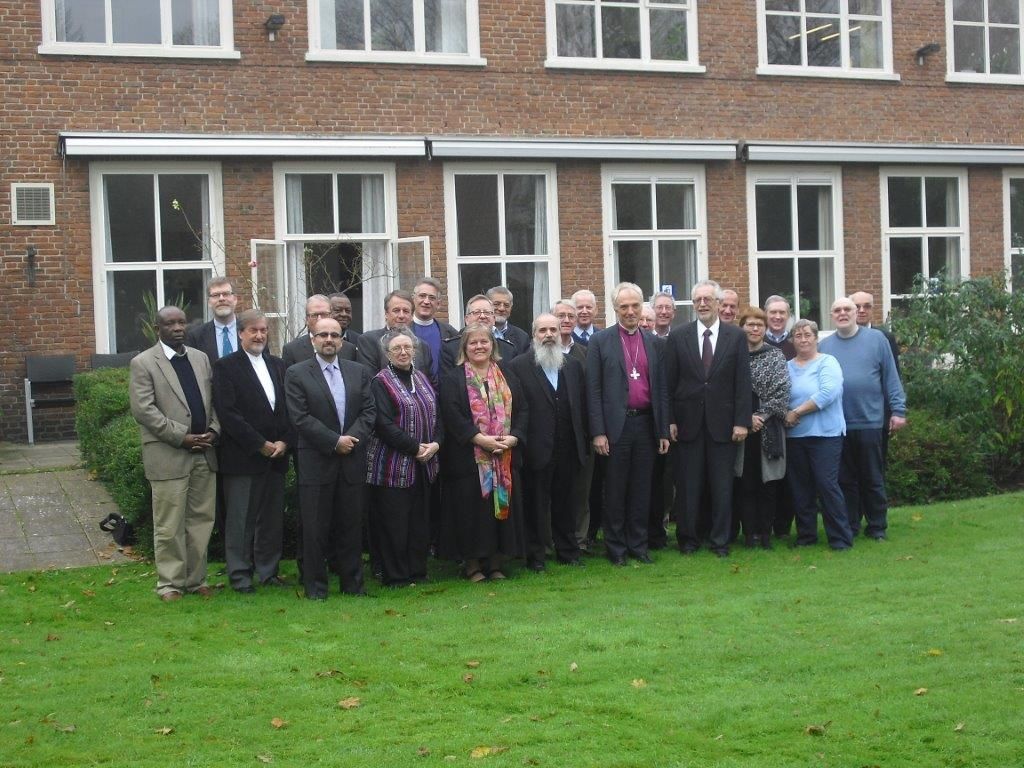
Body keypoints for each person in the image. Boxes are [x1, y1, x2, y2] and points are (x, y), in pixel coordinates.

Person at [129, 306, 219, 602]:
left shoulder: (200, 358)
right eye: (170, 324)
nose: (178, 328)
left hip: (204, 452)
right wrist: (182, 437)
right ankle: (169, 584)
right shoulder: (143, 363)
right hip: (169, 454)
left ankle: (196, 580)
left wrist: (214, 430)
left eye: (182, 322)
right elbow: (144, 410)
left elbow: (214, 401)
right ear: (158, 329)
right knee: (169, 524)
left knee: (201, 520)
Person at [285, 317, 376, 599]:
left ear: (342, 340)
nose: (329, 339)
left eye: (334, 335)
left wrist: (350, 439)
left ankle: (353, 586)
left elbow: (369, 412)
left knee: (351, 526)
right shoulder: (297, 373)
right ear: (312, 339)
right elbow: (300, 417)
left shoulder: (358, 372)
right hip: (317, 461)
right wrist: (334, 441)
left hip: (352, 460)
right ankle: (316, 588)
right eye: (322, 334)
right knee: (315, 528)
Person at [586, 282, 671, 566]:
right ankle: (616, 548)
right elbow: (593, 390)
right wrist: (598, 432)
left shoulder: (654, 342)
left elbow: (661, 389)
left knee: (642, 489)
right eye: (624, 306)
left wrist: (662, 430)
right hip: (615, 428)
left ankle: (638, 544)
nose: (631, 311)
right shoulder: (600, 341)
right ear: (615, 309)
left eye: (635, 305)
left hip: (645, 425)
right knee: (615, 489)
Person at [666, 280, 751, 557]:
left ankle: (720, 541)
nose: (702, 304)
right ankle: (688, 540)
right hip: (687, 425)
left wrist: (741, 421)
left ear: (718, 303)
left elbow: (742, 382)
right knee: (688, 486)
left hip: (724, 425)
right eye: (697, 300)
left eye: (707, 299)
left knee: (722, 486)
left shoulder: (735, 337)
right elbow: (669, 383)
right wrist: (670, 420)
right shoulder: (678, 336)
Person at [212, 309, 293, 593]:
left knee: (271, 520)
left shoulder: (278, 365)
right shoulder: (225, 367)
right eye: (253, 330)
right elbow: (228, 413)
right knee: (241, 520)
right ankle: (240, 576)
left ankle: (268, 572)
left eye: (263, 330)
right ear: (240, 333)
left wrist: (284, 442)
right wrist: (259, 444)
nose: (259, 335)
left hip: (277, 457)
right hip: (243, 457)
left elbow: (288, 408)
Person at [438, 324, 527, 581]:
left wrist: (514, 437)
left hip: (504, 457)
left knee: (499, 512)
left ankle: (496, 563)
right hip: (468, 459)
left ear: (492, 345)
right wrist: (480, 439)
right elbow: (452, 414)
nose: (479, 346)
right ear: (464, 348)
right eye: (473, 343)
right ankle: (473, 565)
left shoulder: (507, 374)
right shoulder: (453, 379)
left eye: (484, 342)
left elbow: (523, 409)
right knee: (472, 513)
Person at [819, 297, 907, 541]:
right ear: (831, 315)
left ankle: (877, 526)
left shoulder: (877, 340)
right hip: (838, 425)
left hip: (870, 421)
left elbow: (891, 377)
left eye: (847, 309)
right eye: (837, 310)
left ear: (855, 312)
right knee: (845, 480)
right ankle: (851, 525)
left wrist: (898, 411)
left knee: (872, 478)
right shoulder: (824, 346)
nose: (843, 313)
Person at [509, 313, 588, 570]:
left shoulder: (573, 366)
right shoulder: (518, 366)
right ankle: (536, 556)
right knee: (535, 505)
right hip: (535, 449)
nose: (549, 335)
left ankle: (568, 552)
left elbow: (581, 406)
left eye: (553, 330)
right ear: (534, 335)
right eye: (543, 330)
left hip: (568, 447)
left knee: (566, 503)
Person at [365, 330, 441, 587]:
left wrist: (436, 444)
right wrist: (415, 448)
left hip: (424, 464)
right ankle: (395, 575)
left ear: (414, 351)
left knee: (419, 522)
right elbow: (383, 424)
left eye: (407, 347)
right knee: (394, 523)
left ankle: (417, 571)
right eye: (396, 348)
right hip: (391, 465)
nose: (403, 352)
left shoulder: (421, 378)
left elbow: (438, 414)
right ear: (387, 354)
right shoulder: (380, 382)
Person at [783, 319, 853, 551]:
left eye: (807, 335)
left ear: (816, 338)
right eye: (798, 335)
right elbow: (779, 395)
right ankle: (806, 536)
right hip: (795, 436)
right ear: (792, 341)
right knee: (801, 489)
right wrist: (784, 413)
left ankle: (840, 538)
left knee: (826, 485)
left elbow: (828, 393)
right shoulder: (787, 366)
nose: (803, 339)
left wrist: (796, 412)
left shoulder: (827, 362)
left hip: (826, 435)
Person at [733, 307, 789, 549]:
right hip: (741, 429)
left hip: (769, 428)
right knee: (745, 483)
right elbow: (726, 393)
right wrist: (746, 418)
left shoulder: (776, 356)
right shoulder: (733, 356)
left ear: (765, 329)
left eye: (759, 325)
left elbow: (782, 392)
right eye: (750, 324)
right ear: (742, 328)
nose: (754, 329)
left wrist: (760, 417)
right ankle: (749, 535)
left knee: (768, 484)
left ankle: (765, 534)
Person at [553, 298, 593, 551]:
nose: (566, 320)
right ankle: (550, 541)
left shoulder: (586, 353)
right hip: (551, 434)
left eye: (571, 316)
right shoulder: (539, 352)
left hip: (580, 434)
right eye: (561, 316)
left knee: (580, 491)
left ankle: (580, 540)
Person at [850, 289, 901, 467]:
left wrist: (893, 412)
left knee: (875, 468)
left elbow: (893, 377)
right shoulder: (839, 338)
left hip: (877, 418)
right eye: (857, 306)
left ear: (873, 309)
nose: (862, 310)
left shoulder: (885, 338)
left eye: (867, 306)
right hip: (848, 419)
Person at [358, 290, 434, 376]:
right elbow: (368, 378)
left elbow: (430, 380)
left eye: (406, 311)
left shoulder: (423, 346)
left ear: (412, 316)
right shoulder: (369, 341)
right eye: (396, 310)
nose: (401, 316)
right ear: (386, 314)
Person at [439, 295, 517, 373]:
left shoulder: (508, 349)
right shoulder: (450, 348)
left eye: (487, 312)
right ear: (467, 320)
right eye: (476, 312)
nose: (482, 316)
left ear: (493, 319)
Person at [283, 295, 357, 367]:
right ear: (306, 320)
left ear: (331, 316)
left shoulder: (349, 349)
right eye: (314, 315)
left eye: (324, 314)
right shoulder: (292, 350)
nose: (319, 319)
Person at [410, 277, 458, 382]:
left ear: (438, 304)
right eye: (422, 296)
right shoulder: (402, 332)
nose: (426, 301)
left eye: (432, 298)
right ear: (413, 299)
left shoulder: (451, 333)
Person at [185, 277, 238, 361]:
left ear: (235, 299)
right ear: (209, 302)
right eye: (216, 295)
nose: (221, 299)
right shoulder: (196, 337)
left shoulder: (251, 331)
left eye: (226, 294)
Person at [487, 286, 530, 359]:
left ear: (511, 308)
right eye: (496, 304)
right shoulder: (476, 333)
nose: (501, 308)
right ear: (486, 306)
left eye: (506, 305)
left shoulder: (522, 337)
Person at [763, 295, 796, 361]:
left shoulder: (796, 343)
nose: (778, 317)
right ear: (765, 314)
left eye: (782, 312)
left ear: (788, 315)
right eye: (773, 312)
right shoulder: (758, 342)